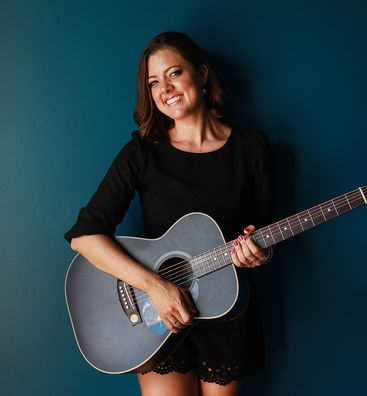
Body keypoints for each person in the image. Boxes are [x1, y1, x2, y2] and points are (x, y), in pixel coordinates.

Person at [65, 31, 274, 396]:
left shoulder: (252, 150)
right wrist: (155, 287)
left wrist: (260, 253)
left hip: (227, 315)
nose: (165, 88)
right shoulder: (142, 153)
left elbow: (268, 231)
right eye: (154, 82)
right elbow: (85, 237)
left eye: (174, 73)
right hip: (154, 316)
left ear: (202, 74)